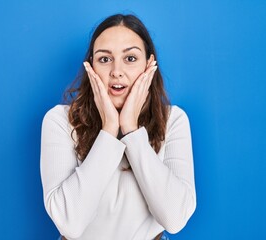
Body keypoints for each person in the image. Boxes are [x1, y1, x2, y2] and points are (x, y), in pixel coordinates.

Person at [40, 14, 196, 240]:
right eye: (105, 59)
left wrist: (132, 131)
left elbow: (174, 219)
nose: (116, 71)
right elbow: (69, 223)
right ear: (91, 66)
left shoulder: (173, 120)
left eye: (130, 58)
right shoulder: (59, 120)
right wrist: (109, 130)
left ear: (149, 65)